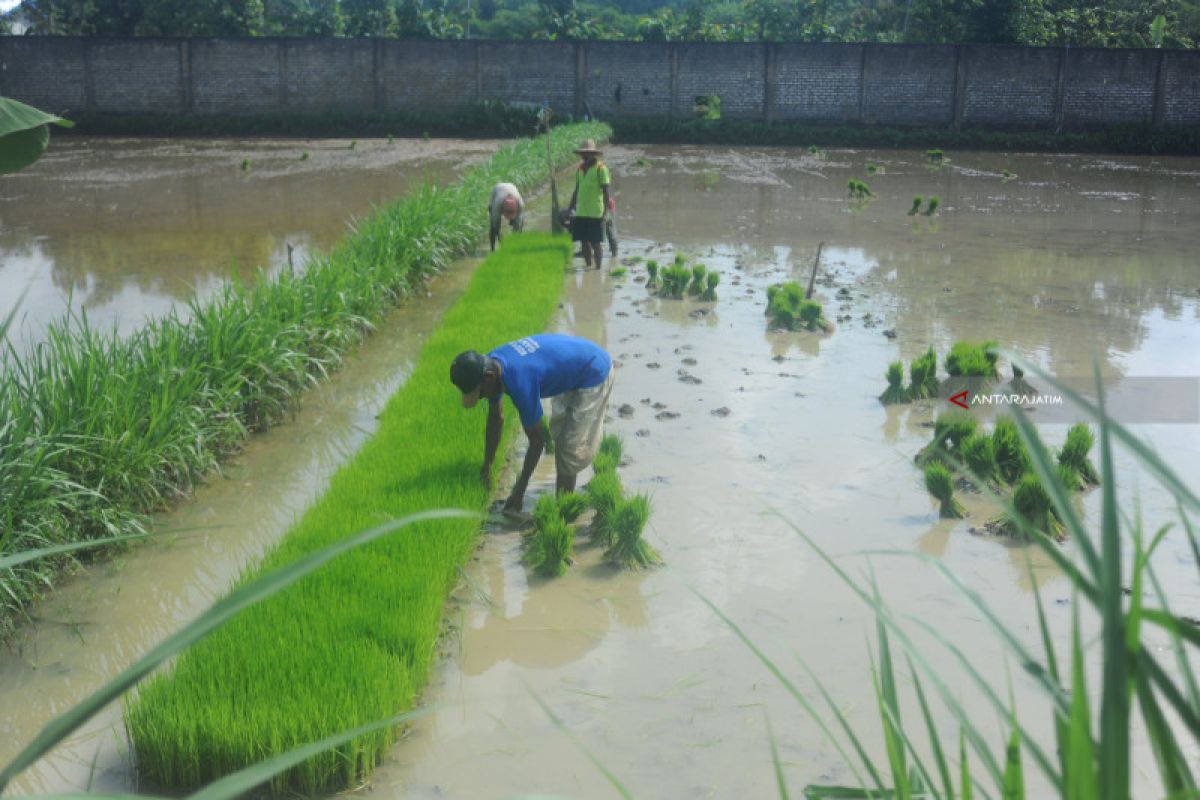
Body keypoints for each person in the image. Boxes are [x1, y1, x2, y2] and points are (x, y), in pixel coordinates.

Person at [450, 334, 614, 511]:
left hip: (594, 372)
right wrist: (487, 466)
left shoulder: (520, 382)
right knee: (560, 434)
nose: (482, 398)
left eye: (480, 394)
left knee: (568, 450)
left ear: (488, 377)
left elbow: (537, 442)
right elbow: (496, 419)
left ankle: (562, 513)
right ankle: (564, 502)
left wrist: (519, 491)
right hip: (573, 369)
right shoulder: (491, 362)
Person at [565, 139, 611, 270]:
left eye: (587, 154)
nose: (584, 156)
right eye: (582, 154)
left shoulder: (601, 169)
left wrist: (606, 212)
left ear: (593, 154)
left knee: (596, 242)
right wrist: (570, 208)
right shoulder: (579, 169)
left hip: (596, 212)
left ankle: (598, 269)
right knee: (583, 241)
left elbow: (606, 192)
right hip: (581, 212)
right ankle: (588, 266)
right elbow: (577, 189)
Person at [488, 182, 525, 251]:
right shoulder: (498, 203)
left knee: (520, 225)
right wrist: (499, 234)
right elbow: (495, 221)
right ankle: (492, 249)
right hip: (498, 189)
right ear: (503, 209)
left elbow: (518, 224)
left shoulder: (520, 204)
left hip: (511, 187)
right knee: (493, 227)